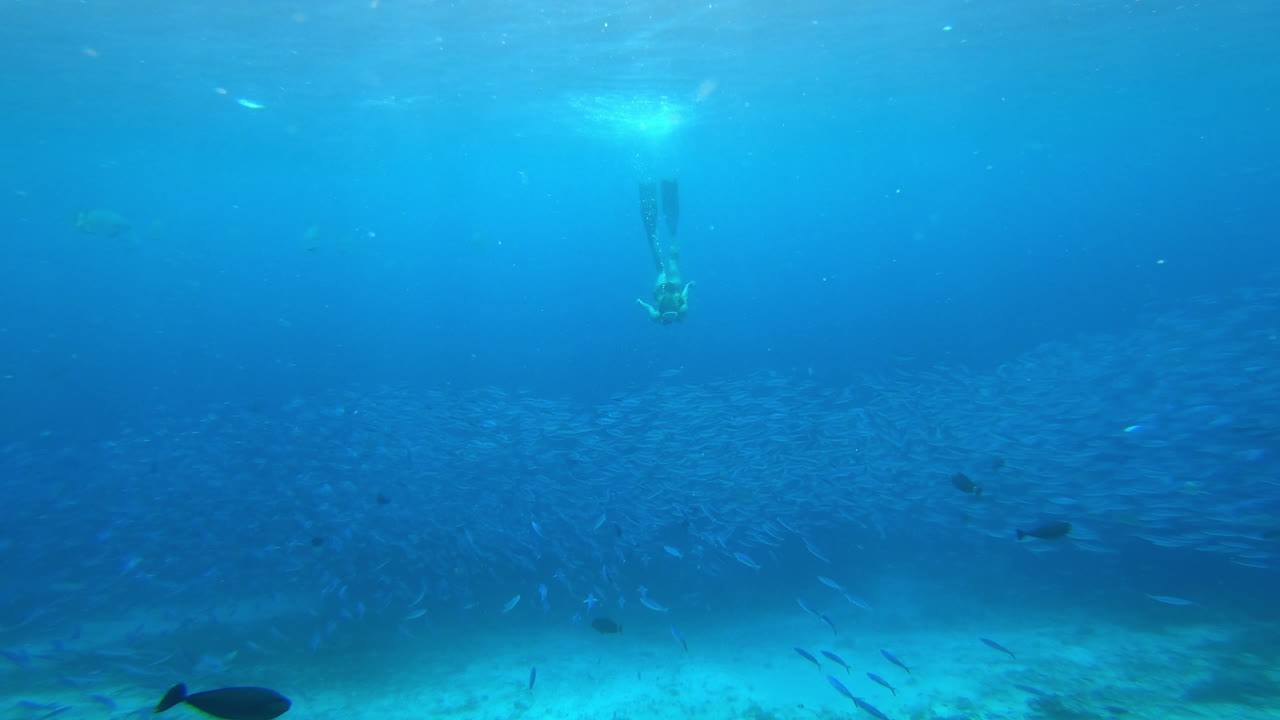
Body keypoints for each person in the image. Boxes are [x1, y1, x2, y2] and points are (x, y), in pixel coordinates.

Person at [636, 179, 695, 324]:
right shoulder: (675, 313)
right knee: (662, 266)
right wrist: (640, 303)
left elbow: (684, 296)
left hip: (672, 288)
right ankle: (665, 190)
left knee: (670, 262)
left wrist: (688, 286)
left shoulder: (675, 313)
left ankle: (671, 237)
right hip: (664, 289)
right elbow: (684, 296)